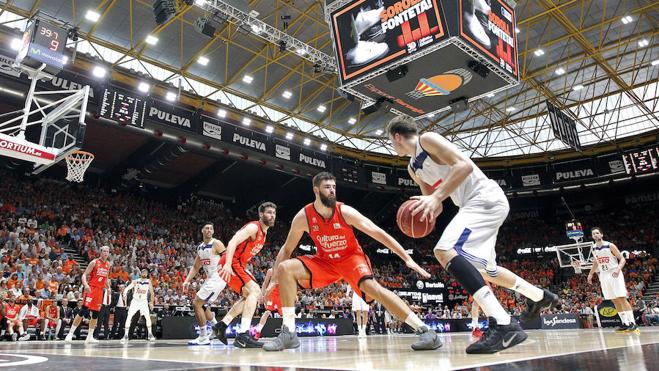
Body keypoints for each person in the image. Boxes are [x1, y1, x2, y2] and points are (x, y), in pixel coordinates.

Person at [387, 116, 559, 354]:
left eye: (391, 142)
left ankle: (503, 324)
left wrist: (436, 198)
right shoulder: (413, 167)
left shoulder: (427, 140)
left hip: (482, 198)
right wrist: (425, 210)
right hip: (472, 205)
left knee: (445, 251)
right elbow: (435, 203)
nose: (392, 146)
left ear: (396, 136)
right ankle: (539, 295)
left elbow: (464, 165)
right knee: (485, 270)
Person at [262, 172, 440, 352]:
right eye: (327, 187)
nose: (332, 191)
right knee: (285, 268)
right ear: (316, 190)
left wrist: (407, 258)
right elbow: (286, 249)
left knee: (373, 289)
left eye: (334, 187)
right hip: (325, 262)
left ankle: (425, 331)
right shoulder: (304, 216)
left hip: (351, 258)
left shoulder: (345, 211)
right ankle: (289, 333)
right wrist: (275, 279)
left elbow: (378, 232)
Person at [215, 202, 277, 348]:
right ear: (261, 214)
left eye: (274, 213)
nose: (272, 215)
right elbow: (233, 241)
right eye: (269, 212)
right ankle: (243, 335)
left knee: (249, 296)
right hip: (231, 263)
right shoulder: (254, 227)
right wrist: (228, 264)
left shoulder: (264, 233)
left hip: (239, 264)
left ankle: (222, 326)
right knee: (254, 291)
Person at [587, 227, 639, 334]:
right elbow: (596, 262)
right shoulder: (593, 248)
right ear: (592, 237)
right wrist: (591, 273)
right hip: (604, 275)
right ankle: (625, 323)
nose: (596, 235)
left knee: (621, 298)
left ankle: (633, 323)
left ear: (601, 235)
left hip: (614, 272)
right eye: (593, 234)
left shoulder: (610, 245)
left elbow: (622, 259)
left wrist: (618, 269)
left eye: (597, 233)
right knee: (614, 300)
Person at [182, 223, 226, 345]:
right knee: (204, 306)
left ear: (213, 231)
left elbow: (228, 258)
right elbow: (196, 266)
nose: (209, 230)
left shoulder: (217, 243)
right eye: (206, 228)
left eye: (211, 228)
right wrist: (187, 280)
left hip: (218, 278)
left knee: (197, 303)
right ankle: (217, 328)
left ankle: (203, 336)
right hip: (210, 278)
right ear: (202, 231)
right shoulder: (200, 247)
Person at [64, 246, 112, 343]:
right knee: (83, 311)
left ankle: (90, 336)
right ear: (100, 252)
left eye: (107, 251)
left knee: (95, 314)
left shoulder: (108, 264)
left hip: (99, 291)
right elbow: (84, 275)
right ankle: (70, 334)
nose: (105, 253)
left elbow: (105, 278)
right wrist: (86, 285)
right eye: (104, 251)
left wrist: (108, 287)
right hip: (91, 289)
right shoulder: (94, 262)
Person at [121, 269, 156, 342]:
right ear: (141, 273)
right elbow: (128, 288)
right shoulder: (136, 281)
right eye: (143, 272)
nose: (144, 274)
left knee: (147, 317)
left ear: (147, 274)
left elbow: (152, 292)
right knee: (129, 316)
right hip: (135, 301)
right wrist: (124, 292)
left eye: (146, 273)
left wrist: (151, 302)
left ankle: (150, 334)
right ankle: (126, 335)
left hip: (143, 301)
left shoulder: (148, 281)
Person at [253, 268, 281, 340]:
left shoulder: (284, 270)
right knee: (267, 312)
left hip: (281, 294)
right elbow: (265, 283)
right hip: (271, 294)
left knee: (285, 314)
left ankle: (287, 333)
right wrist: (262, 295)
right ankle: (258, 331)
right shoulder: (270, 271)